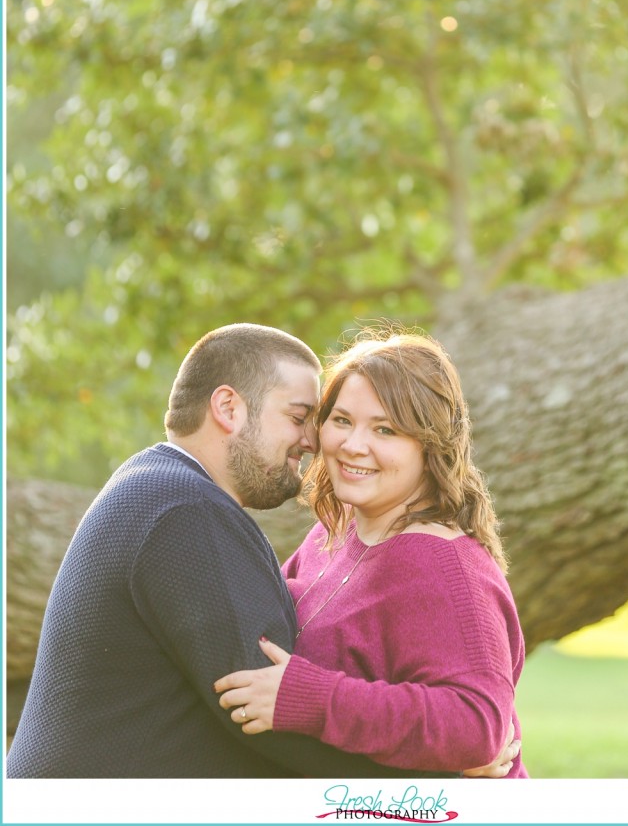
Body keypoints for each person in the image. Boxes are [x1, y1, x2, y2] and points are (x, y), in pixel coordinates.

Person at [6, 323, 463, 779]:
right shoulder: (185, 511)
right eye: (297, 416)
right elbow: (262, 710)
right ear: (229, 408)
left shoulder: (157, 485)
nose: (312, 440)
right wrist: (446, 771)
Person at [215, 331, 528, 778]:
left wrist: (311, 699)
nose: (353, 444)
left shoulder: (446, 566)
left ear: (430, 445)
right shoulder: (334, 530)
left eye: (385, 429)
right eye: (341, 420)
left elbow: (478, 727)